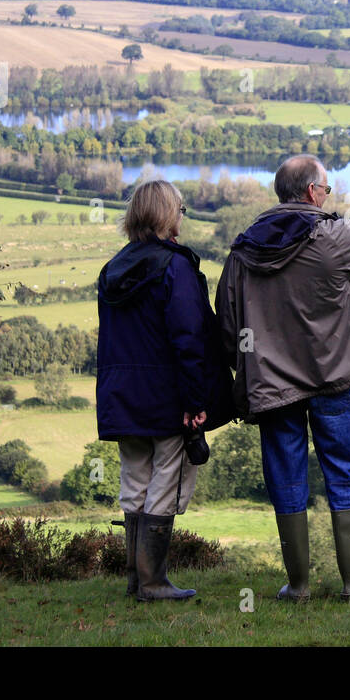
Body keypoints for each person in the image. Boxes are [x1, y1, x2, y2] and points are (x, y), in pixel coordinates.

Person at [216, 154, 350, 603]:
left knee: (285, 476)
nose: (328, 197)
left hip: (271, 386)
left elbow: (226, 326)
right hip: (332, 378)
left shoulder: (243, 251)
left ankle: (298, 585)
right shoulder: (328, 239)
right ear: (311, 192)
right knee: (344, 469)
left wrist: (248, 366)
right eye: (325, 190)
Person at [96, 178, 233, 602]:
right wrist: (196, 403)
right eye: (180, 210)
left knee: (134, 480)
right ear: (167, 215)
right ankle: (153, 582)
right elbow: (189, 340)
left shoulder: (112, 269)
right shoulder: (175, 267)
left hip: (121, 395)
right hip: (167, 395)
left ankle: (137, 582)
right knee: (165, 482)